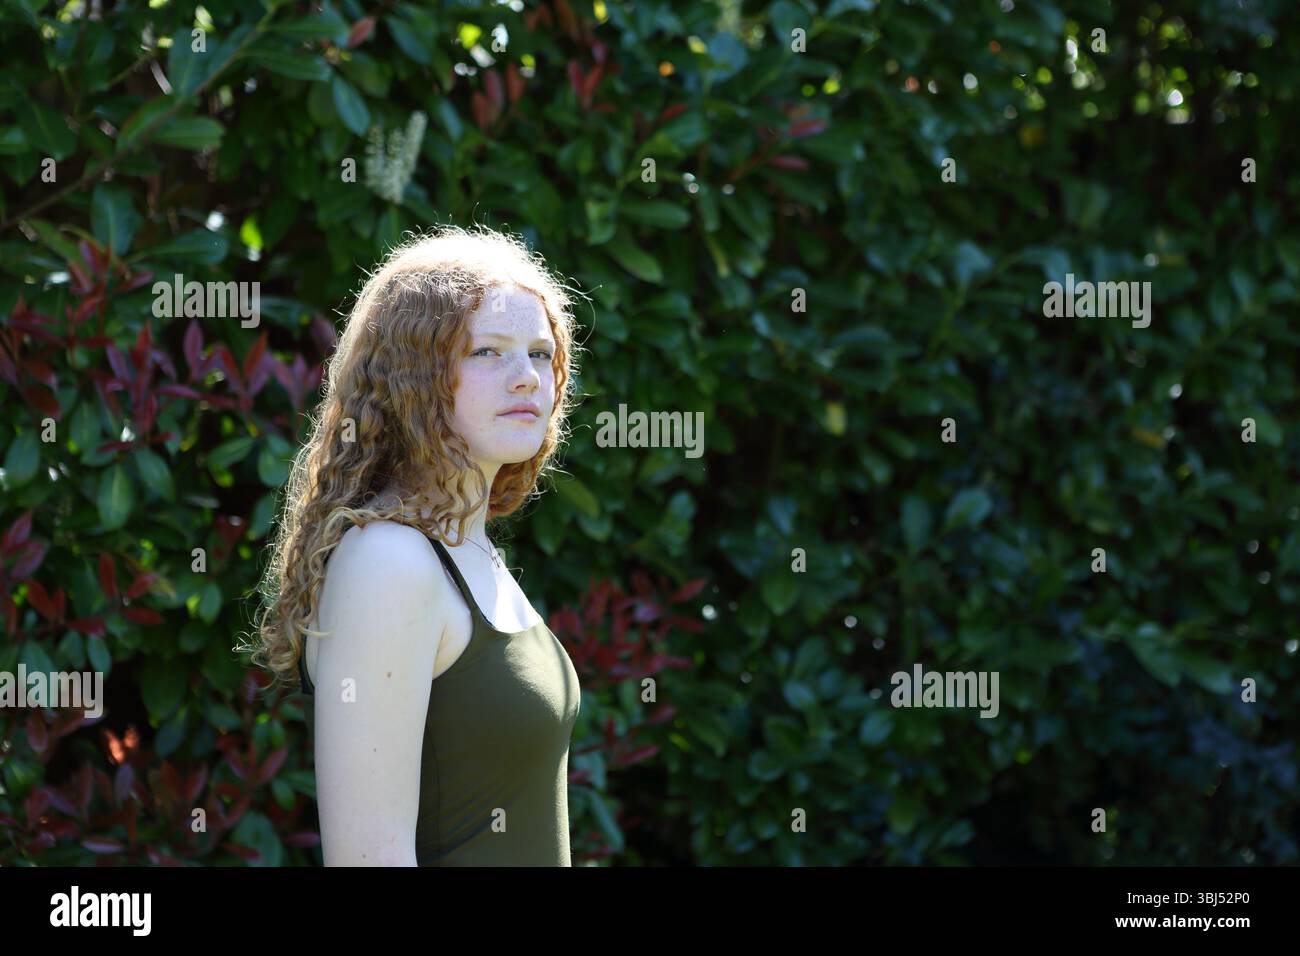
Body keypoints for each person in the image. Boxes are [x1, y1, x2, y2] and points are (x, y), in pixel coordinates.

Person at [243, 224, 586, 865]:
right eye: (488, 352)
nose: (526, 378)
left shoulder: (467, 548)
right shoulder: (390, 562)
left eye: (541, 354)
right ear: (414, 377)